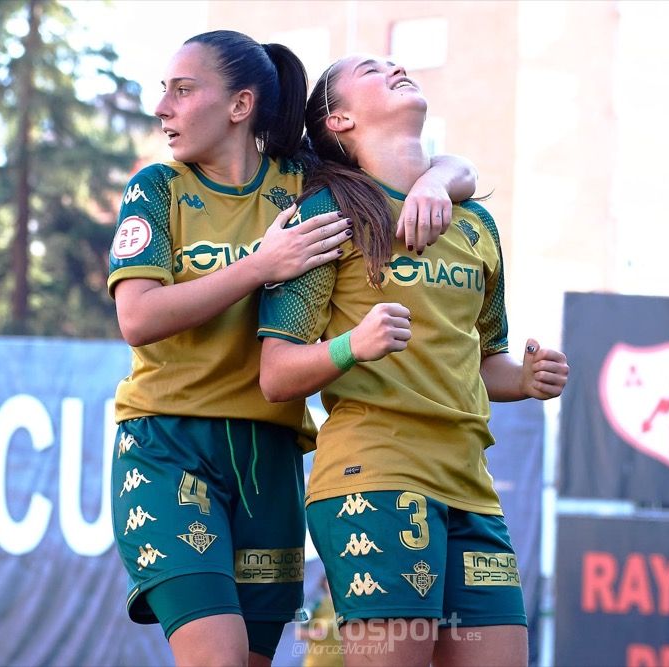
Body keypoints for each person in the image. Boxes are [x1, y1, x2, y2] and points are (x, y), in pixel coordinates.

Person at [107, 32, 479, 667]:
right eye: (165, 91)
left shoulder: (307, 183)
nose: (162, 107)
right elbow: (137, 318)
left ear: (240, 104)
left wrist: (438, 181)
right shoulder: (156, 188)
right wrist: (260, 265)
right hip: (166, 447)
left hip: (272, 456)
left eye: (183, 90)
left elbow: (427, 165)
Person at [256, 54, 570, 667]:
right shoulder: (325, 213)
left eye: (392, 62)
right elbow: (276, 373)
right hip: (374, 477)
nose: (395, 66)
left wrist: (526, 378)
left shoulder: (476, 223)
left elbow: (486, 363)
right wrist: (353, 345)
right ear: (339, 119)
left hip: (472, 488)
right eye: (370, 69)